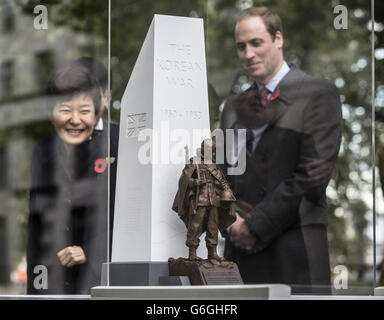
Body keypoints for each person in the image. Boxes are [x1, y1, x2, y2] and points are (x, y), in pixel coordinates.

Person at [220, 7, 342, 294]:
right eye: (241, 46)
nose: (248, 54)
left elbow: (311, 178)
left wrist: (254, 226)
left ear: (278, 39)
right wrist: (231, 222)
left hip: (293, 252)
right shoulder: (233, 108)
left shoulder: (318, 94)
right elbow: (222, 175)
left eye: (256, 43)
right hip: (239, 256)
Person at [26, 62, 118, 294]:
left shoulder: (120, 143)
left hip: (102, 282)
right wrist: (36, 290)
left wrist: (91, 251)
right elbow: (37, 226)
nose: (75, 120)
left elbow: (133, 218)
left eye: (84, 111)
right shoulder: (42, 150)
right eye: (65, 110)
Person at [172, 139, 236, 263]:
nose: (210, 152)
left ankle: (212, 253)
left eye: (212, 150)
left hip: (214, 201)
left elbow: (220, 180)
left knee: (213, 227)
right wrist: (195, 182)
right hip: (200, 200)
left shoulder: (214, 164)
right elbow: (183, 181)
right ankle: (192, 253)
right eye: (208, 149)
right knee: (194, 226)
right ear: (202, 149)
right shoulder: (194, 162)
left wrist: (225, 188)